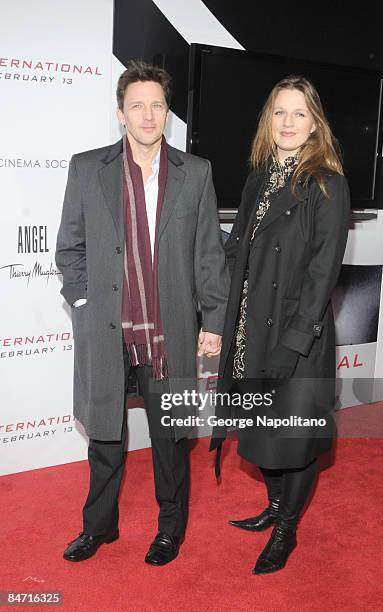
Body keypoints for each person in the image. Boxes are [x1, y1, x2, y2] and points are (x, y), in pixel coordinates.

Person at [56, 59, 229, 565]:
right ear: (120, 113)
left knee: (170, 438)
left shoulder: (195, 172)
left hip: (169, 329)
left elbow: (208, 255)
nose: (148, 115)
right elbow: (70, 248)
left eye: (157, 105)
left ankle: (169, 528)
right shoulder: (88, 168)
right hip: (108, 327)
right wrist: (86, 303)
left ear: (167, 113)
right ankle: (98, 528)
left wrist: (214, 321)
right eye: (138, 106)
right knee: (106, 436)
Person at [210, 75, 350, 574]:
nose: (288, 123)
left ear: (315, 125)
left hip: (295, 335)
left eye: (299, 114)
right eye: (279, 113)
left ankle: (287, 526)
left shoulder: (326, 183)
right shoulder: (258, 178)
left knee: (294, 436)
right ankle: (273, 507)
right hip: (252, 331)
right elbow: (237, 251)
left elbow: (322, 272)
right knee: (260, 431)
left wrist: (293, 344)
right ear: (268, 121)